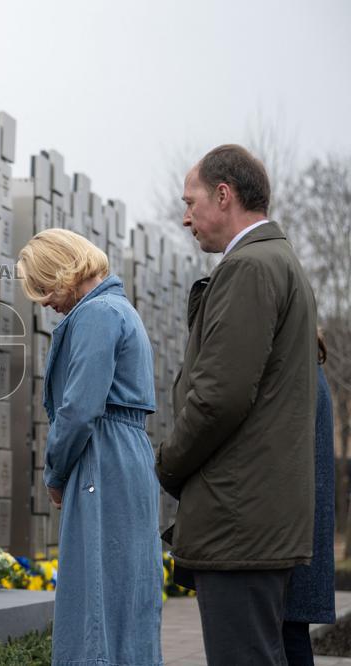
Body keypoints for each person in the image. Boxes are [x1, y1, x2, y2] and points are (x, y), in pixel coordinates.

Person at [155, 144, 317, 666]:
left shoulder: (249, 268)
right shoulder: (275, 260)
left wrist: (166, 464)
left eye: (190, 201)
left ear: (223, 196)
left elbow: (217, 399)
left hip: (239, 522)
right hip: (254, 518)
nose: (185, 218)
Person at [18, 228, 162, 666]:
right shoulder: (120, 309)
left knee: (96, 597)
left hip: (103, 457)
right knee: (126, 597)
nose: (44, 302)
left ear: (63, 272)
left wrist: (55, 474)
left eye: (43, 287)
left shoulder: (97, 314)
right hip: (124, 454)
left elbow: (78, 409)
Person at [283, 331, 336, 665]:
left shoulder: (298, 376)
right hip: (305, 528)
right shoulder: (311, 371)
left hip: (295, 530)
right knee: (292, 632)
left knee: (289, 635)